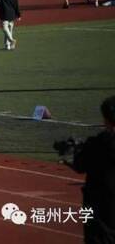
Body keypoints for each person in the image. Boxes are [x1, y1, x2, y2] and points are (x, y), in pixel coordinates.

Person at [69, 96, 115, 243]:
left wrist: (75, 151)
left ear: (106, 119)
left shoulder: (98, 143)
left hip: (100, 207)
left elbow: (79, 166)